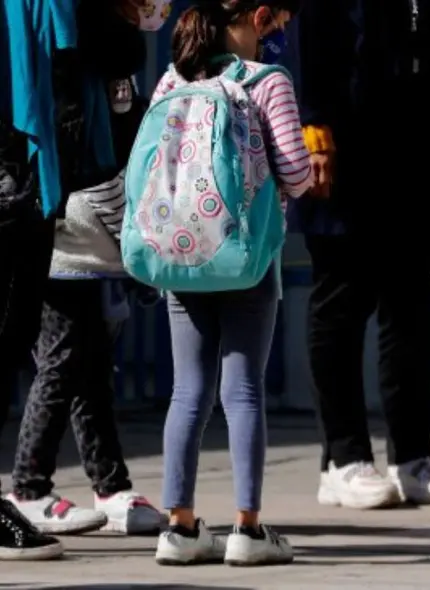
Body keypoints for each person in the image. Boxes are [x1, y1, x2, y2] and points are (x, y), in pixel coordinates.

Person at [294, 0, 430, 509]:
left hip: (421, 137)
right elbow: (308, 32)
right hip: (346, 137)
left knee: (411, 303)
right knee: (342, 296)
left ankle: (413, 455)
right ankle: (343, 456)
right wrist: (312, 124)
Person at [0, 0, 166, 561]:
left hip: (72, 186)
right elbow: (96, 59)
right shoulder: (65, 17)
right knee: (64, 348)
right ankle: (29, 485)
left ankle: (106, 482)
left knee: (88, 349)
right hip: (58, 190)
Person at [149, 0, 309, 566]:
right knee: (241, 391)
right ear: (260, 15)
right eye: (284, 16)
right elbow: (295, 170)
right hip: (245, 255)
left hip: (180, 252)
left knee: (186, 390)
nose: (286, 27)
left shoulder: (171, 79)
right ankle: (247, 529)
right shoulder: (268, 82)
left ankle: (180, 528)